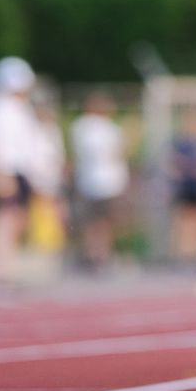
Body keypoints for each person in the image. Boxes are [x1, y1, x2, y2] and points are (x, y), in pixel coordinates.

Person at [0, 56, 41, 282]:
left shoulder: (19, 107)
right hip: (5, 169)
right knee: (3, 218)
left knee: (16, 219)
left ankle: (6, 268)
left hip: (19, 168)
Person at [69, 92, 129, 272]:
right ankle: (96, 255)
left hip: (104, 182)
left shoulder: (102, 128)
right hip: (96, 182)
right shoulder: (88, 127)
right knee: (96, 222)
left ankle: (99, 255)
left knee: (100, 221)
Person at [168, 108, 196, 267]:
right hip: (185, 187)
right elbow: (175, 163)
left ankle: (194, 255)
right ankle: (182, 255)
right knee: (184, 222)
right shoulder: (181, 144)